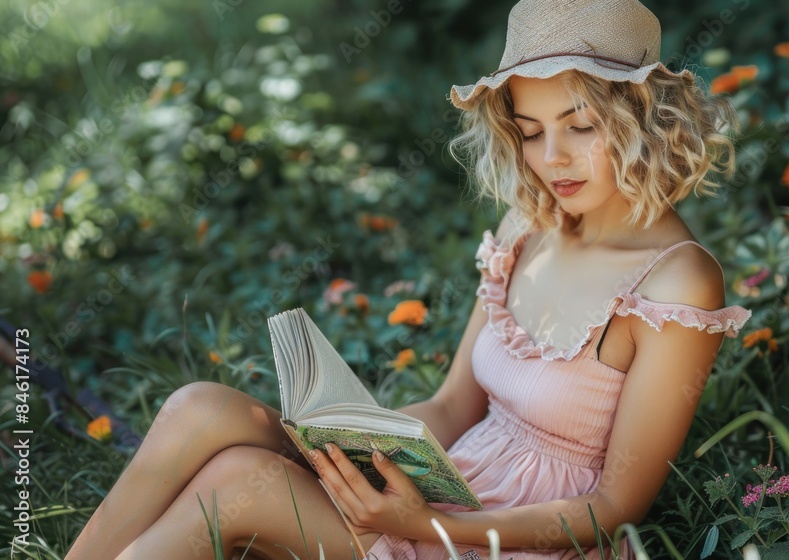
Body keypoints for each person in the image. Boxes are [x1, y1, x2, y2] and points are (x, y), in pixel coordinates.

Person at [65, 0, 752, 558]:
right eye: (531, 130)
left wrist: (422, 525)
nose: (552, 158)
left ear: (643, 119)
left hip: (509, 539)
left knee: (238, 479)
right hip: (443, 487)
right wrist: (357, 448)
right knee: (201, 409)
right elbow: (454, 408)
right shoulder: (529, 227)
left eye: (579, 126)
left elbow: (610, 511)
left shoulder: (675, 285)